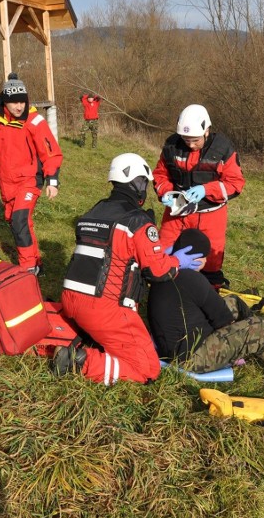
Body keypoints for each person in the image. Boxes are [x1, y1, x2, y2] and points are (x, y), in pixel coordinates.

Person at [57, 153, 204, 385]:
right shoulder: (137, 221)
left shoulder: (92, 213)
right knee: (148, 369)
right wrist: (176, 261)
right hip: (106, 311)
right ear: (138, 183)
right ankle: (82, 363)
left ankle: (73, 343)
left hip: (70, 301)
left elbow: (116, 252)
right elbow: (158, 272)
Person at [148, 228, 264, 388]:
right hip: (192, 359)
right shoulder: (194, 280)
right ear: (198, 259)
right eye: (205, 258)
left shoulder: (163, 273)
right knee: (258, 328)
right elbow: (223, 320)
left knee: (233, 301)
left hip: (173, 347)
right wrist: (239, 337)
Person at [0, 73, 63, 275]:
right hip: (6, 183)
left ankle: (27, 269)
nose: (19, 107)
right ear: (5, 102)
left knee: (19, 221)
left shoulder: (34, 121)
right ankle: (37, 263)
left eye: (22, 102)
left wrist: (52, 180)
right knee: (16, 220)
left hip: (29, 180)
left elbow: (51, 152)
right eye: (14, 103)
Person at [153, 104, 245, 289]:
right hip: (177, 210)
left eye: (195, 140)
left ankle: (209, 293)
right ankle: (163, 289)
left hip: (210, 214)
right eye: (186, 140)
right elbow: (159, 176)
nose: (190, 144)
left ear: (206, 131)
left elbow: (235, 183)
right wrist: (167, 192)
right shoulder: (171, 146)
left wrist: (207, 189)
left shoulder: (223, 150)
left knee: (210, 259)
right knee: (163, 250)